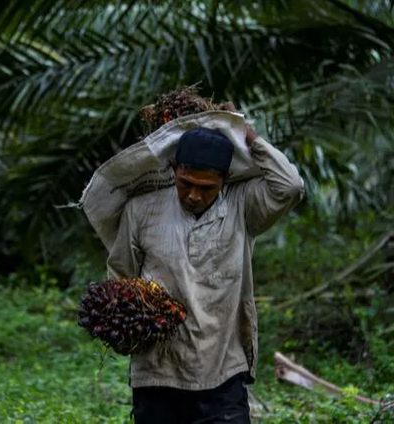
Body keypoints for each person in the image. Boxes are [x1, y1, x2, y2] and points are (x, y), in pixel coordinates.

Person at [106, 103, 304, 423]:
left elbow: (290, 186)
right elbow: (121, 275)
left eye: (206, 188)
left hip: (223, 373)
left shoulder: (243, 205)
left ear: (224, 180)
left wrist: (247, 134)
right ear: (174, 171)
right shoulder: (142, 210)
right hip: (158, 373)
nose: (194, 195)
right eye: (186, 183)